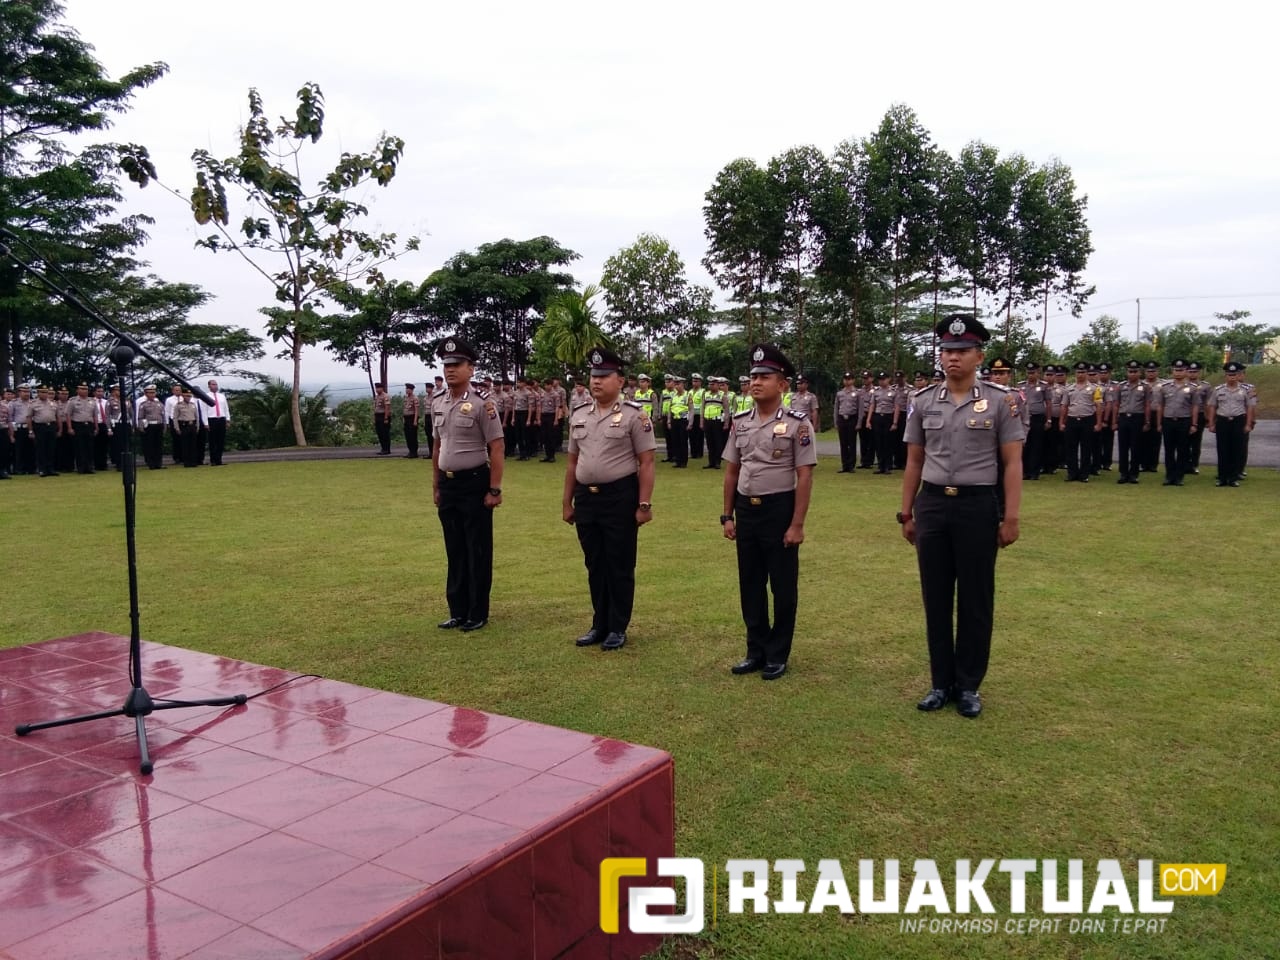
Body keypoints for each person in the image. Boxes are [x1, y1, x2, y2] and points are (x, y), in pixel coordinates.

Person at [900, 314, 1024, 718]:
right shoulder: (922, 402)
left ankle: (968, 685)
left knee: (975, 598)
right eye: (947, 351)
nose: (952, 358)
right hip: (933, 505)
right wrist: (907, 511)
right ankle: (940, 682)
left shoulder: (1002, 401)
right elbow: (914, 461)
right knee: (935, 597)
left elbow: (1011, 463)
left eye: (962, 351)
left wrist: (1011, 517)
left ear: (979, 355)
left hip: (977, 505)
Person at [722, 344, 816, 681]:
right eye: (753, 377)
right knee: (750, 583)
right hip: (747, 509)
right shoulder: (740, 422)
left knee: (782, 586)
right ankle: (755, 649)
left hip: (780, 509)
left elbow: (804, 475)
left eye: (765, 376)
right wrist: (727, 515)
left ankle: (778, 653)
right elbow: (732, 470)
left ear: (783, 384)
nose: (756, 382)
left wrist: (797, 524)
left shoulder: (798, 424)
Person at [562, 347, 656, 651]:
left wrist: (644, 504)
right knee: (595, 563)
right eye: (594, 376)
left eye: (604, 376)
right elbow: (572, 464)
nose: (597, 381)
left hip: (620, 497)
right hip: (586, 499)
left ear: (621, 380)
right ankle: (599, 623)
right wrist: (567, 502)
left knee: (619, 563)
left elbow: (647, 463)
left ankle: (618, 626)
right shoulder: (579, 415)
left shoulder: (634, 416)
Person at [431, 337, 505, 632]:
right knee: (454, 548)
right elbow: (437, 447)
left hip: (474, 483)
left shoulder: (482, 404)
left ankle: (477, 612)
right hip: (448, 485)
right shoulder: (438, 401)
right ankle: (457, 610)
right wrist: (436, 485)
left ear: (471, 369)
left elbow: (497, 447)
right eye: (447, 365)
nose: (450, 370)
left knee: (477, 549)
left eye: (457, 365)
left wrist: (495, 489)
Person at [1207, 361, 1255, 487]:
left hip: (1238, 421)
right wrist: (1211, 423)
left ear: (1237, 375)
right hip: (1222, 421)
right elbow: (1212, 406)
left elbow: (1250, 407)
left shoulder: (1245, 390)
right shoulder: (1218, 390)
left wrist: (1248, 424)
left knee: (1236, 449)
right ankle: (1222, 478)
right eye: (1229, 375)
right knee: (1222, 449)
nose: (1232, 377)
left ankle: (1233, 478)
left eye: (1234, 375)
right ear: (1225, 376)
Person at [1154, 359, 1197, 486]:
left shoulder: (1192, 388)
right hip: (1168, 421)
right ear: (1172, 371)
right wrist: (1159, 423)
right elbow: (1160, 406)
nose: (1178, 373)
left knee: (1183, 450)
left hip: (1184, 421)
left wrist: (1194, 424)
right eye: (1176, 370)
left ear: (1186, 371)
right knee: (1169, 450)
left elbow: (1194, 406)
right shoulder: (1164, 387)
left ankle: (1179, 477)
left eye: (1181, 370)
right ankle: (1169, 476)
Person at [1059, 361, 1102, 482]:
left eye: (1083, 372)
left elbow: (1098, 406)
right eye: (1078, 372)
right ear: (1075, 373)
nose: (1080, 374)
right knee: (1070, 448)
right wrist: (1061, 422)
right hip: (1072, 420)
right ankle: (1072, 473)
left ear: (1087, 373)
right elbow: (1064, 406)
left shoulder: (1095, 388)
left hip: (1087, 419)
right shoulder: (1069, 389)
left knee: (1086, 448)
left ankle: (1084, 474)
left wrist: (1098, 423)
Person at [1114, 360, 1152, 484]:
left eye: (1135, 371)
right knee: (1123, 447)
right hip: (1124, 418)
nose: (1133, 374)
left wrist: (1147, 421)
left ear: (1140, 372)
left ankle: (1134, 474)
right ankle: (1123, 473)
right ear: (1127, 372)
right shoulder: (1121, 386)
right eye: (1130, 371)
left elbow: (1147, 405)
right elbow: (1116, 404)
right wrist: (1115, 421)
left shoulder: (1145, 387)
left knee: (1136, 447)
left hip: (1137, 418)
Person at [867, 371, 899, 475]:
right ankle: (880, 465)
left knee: (888, 442)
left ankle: (888, 466)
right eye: (880, 379)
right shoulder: (876, 391)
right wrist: (868, 420)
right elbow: (872, 405)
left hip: (888, 417)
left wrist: (895, 422)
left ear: (888, 379)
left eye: (884, 379)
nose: (882, 381)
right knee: (878, 442)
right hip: (877, 417)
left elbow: (896, 407)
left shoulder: (894, 391)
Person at [1019, 362, 1047, 480]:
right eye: (1029, 373)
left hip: (1037, 418)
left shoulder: (1043, 386)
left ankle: (1034, 472)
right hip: (1024, 418)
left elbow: (1049, 404)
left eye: (1033, 373)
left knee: (1037, 445)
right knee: (1025, 445)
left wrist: (1049, 420)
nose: (1030, 375)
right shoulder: (1021, 386)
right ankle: (1024, 471)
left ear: (1038, 373)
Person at [29, 386, 61, 477]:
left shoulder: (53, 403)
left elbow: (58, 417)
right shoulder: (33, 403)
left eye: (46, 392)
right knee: (41, 449)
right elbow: (29, 417)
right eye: (42, 392)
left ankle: (50, 469)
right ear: (38, 393)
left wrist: (59, 429)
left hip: (51, 426)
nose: (44, 394)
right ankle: (41, 469)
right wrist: (31, 431)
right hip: (39, 427)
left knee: (51, 448)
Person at [66, 382, 98, 474]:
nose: (85, 391)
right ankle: (81, 467)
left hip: (89, 425)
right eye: (82, 389)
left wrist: (96, 427)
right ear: (77, 390)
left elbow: (95, 415)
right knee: (79, 447)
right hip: (78, 425)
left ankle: (89, 467)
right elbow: (68, 415)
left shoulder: (92, 401)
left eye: (86, 389)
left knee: (89, 447)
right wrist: (69, 427)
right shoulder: (72, 401)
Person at [834, 372, 861, 473]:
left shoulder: (857, 393)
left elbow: (860, 409)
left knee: (852, 443)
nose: (847, 381)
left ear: (853, 380)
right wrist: (836, 422)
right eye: (845, 379)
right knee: (843, 444)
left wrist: (859, 423)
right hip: (842, 419)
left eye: (849, 379)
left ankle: (851, 465)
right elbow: (836, 409)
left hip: (852, 419)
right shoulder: (840, 393)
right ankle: (844, 465)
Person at [136, 384, 167, 470]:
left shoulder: (159, 404)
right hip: (149, 426)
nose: (152, 394)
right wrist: (141, 427)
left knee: (159, 445)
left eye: (153, 392)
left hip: (159, 425)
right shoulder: (143, 404)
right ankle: (151, 463)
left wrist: (164, 426)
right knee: (150, 445)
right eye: (149, 393)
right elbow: (140, 417)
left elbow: (163, 416)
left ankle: (158, 463)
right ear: (146, 394)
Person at [201, 379, 230, 466]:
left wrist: (227, 419)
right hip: (211, 419)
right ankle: (213, 460)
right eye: (213, 384)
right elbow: (204, 411)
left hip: (221, 419)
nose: (215, 386)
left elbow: (226, 408)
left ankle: (219, 460)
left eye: (216, 384)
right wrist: (206, 423)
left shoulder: (222, 396)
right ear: (209, 386)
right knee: (212, 441)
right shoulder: (206, 396)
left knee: (220, 441)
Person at [667, 375, 689, 467]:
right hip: (674, 420)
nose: (676, 386)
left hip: (683, 420)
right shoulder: (673, 395)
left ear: (682, 384)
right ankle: (677, 460)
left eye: (678, 384)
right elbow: (670, 408)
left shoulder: (687, 395)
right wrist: (668, 421)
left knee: (683, 441)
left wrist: (690, 422)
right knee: (675, 441)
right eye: (675, 384)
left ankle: (683, 461)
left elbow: (691, 409)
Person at [688, 373, 705, 461]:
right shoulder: (690, 392)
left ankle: (699, 453)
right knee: (691, 434)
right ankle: (693, 453)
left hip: (699, 414)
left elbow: (703, 404)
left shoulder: (703, 391)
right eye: (693, 381)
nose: (694, 383)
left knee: (699, 434)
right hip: (691, 415)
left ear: (700, 382)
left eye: (696, 381)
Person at [373, 382, 393, 455]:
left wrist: (386, 418)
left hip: (383, 416)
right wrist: (374, 418)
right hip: (378, 416)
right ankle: (383, 448)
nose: (377, 389)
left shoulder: (385, 396)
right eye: (376, 388)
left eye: (378, 388)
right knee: (380, 433)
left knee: (385, 433)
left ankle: (387, 449)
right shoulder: (377, 397)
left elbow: (387, 408)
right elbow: (375, 408)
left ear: (382, 388)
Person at [402, 383, 421, 458]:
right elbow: (404, 409)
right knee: (408, 436)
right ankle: (410, 451)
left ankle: (414, 452)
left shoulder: (415, 398)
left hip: (412, 418)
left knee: (413, 436)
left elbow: (416, 410)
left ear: (412, 390)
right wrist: (403, 419)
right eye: (406, 389)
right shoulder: (406, 398)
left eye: (408, 389)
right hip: (406, 418)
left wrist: (415, 420)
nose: (407, 390)